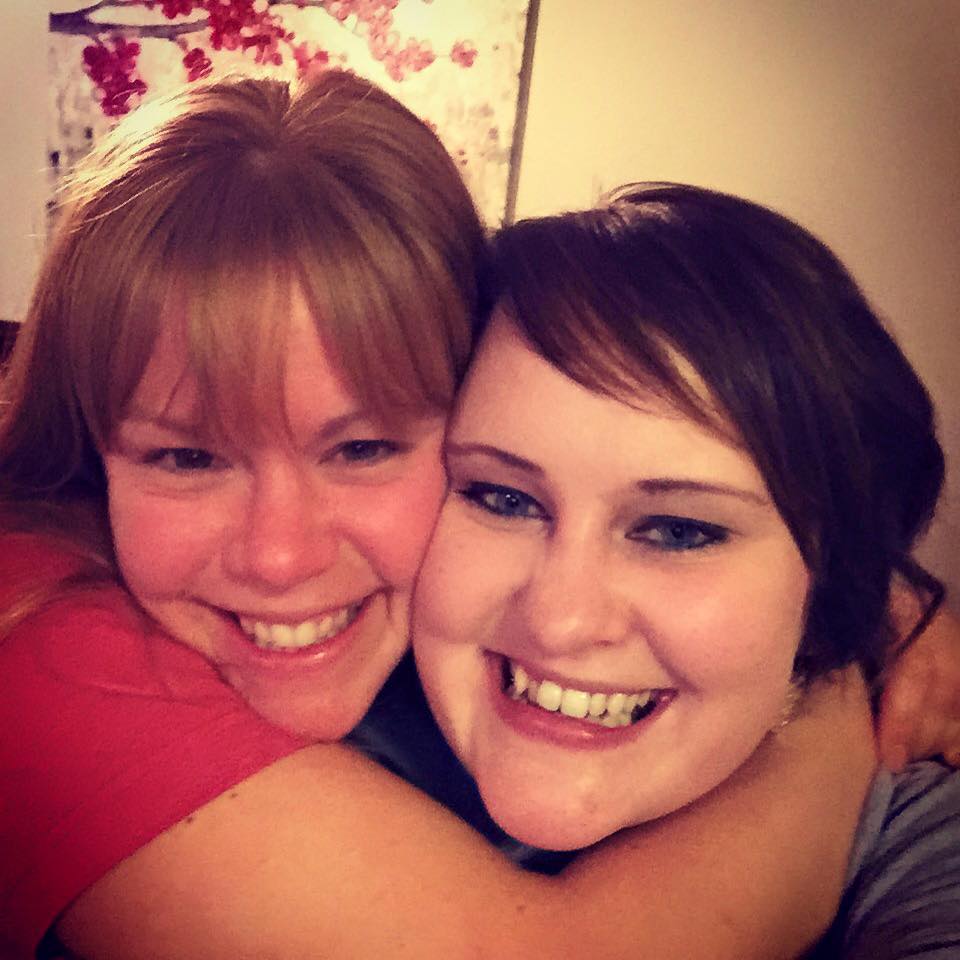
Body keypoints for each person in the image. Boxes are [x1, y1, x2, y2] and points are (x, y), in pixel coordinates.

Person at [0, 73, 954, 958]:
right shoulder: (36, 628)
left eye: (364, 448)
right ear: (91, 455)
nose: (280, 558)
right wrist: (830, 699)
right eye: (187, 457)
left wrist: (850, 612)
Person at [412, 182, 960, 955]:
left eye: (678, 531)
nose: (560, 620)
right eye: (503, 498)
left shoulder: (926, 847)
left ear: (828, 577)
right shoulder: (317, 711)